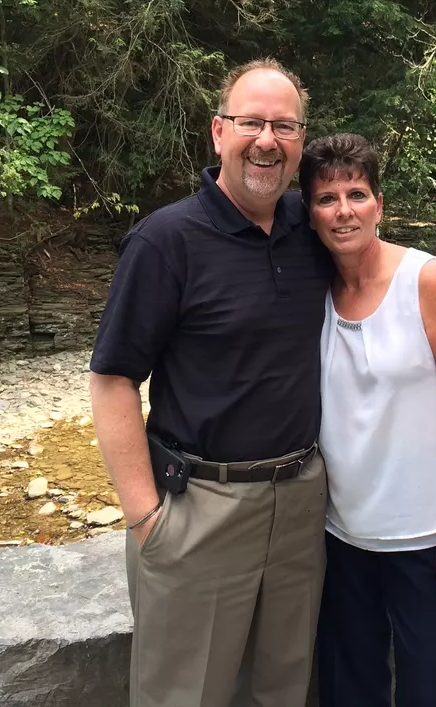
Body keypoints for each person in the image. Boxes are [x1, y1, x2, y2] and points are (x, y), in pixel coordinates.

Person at [88, 58, 332, 707]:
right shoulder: (165, 241)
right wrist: (146, 518)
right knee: (182, 696)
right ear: (218, 132)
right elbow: (111, 380)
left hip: (301, 503)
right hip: (199, 508)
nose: (267, 140)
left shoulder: (315, 232)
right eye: (252, 122)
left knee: (282, 689)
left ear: (300, 142)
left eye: (283, 126)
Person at [299, 133, 436, 707]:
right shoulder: (318, 290)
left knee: (426, 686)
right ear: (309, 214)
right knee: (349, 683)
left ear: (379, 204)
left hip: (423, 538)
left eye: (356, 194)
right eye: (326, 198)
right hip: (341, 535)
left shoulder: (425, 280)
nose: (343, 211)